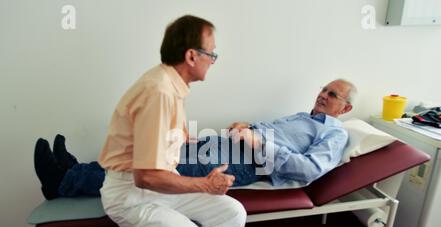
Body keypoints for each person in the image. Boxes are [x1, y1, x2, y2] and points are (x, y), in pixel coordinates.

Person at [48, 15, 247, 227]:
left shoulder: (170, 82)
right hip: (134, 197)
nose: (213, 60)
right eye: (211, 54)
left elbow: (156, 138)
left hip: (159, 187)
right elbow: (146, 176)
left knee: (232, 214)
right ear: (192, 55)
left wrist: (180, 136)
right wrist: (205, 184)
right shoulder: (160, 91)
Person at [34, 78, 357, 198]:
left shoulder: (333, 132)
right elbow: (272, 133)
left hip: (241, 162)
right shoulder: (302, 117)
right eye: (324, 89)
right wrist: (249, 126)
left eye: (334, 94)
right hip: (223, 144)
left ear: (346, 107)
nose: (324, 95)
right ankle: (77, 168)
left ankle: (62, 181)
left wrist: (258, 142)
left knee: (153, 173)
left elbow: (308, 170)